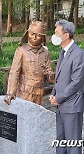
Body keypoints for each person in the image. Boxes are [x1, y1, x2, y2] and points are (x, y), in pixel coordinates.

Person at [49, 20, 84, 154]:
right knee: (61, 142)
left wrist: (59, 97)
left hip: (72, 106)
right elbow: (59, 78)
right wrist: (53, 94)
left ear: (66, 35)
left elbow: (76, 82)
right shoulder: (63, 52)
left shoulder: (79, 54)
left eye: (57, 32)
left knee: (73, 144)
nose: (54, 35)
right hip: (60, 105)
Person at [4, 20, 55, 105]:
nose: (34, 37)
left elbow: (48, 70)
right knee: (23, 115)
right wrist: (10, 92)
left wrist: (51, 75)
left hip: (39, 92)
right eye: (32, 34)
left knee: (37, 115)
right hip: (24, 91)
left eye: (38, 35)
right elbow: (14, 72)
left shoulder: (45, 52)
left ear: (43, 38)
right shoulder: (21, 50)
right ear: (27, 34)